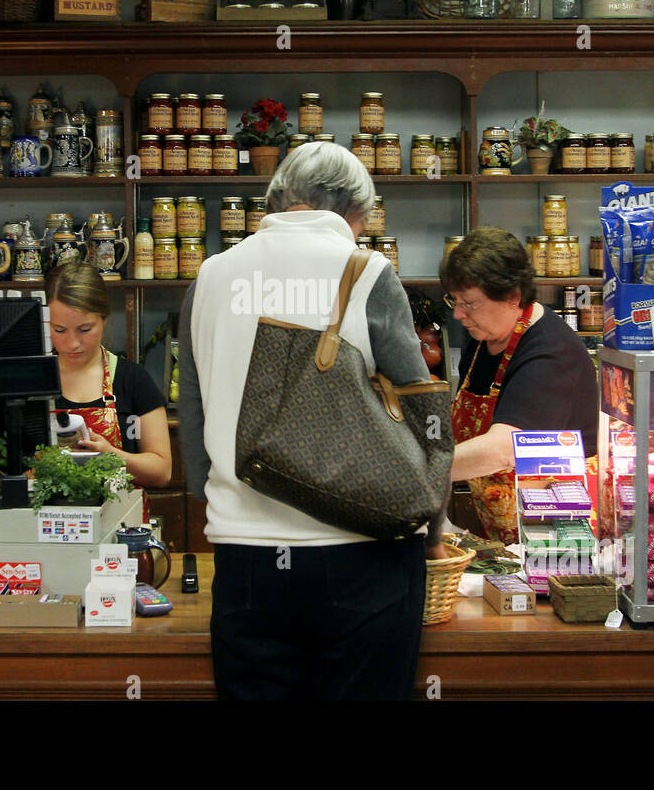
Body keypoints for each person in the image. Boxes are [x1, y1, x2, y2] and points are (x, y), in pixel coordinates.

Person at [178, 141, 445, 701]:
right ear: (356, 212)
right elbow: (423, 410)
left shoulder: (211, 275)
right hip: (362, 552)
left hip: (245, 560)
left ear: (276, 198)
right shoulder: (368, 271)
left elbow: (194, 408)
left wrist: (222, 501)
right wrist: (433, 523)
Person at [440, 227, 598, 543]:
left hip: (558, 534)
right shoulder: (482, 338)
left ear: (512, 297)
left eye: (469, 303)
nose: (458, 314)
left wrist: (416, 473)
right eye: (454, 301)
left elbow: (503, 449)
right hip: (506, 529)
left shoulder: (552, 352)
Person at [47, 261, 171, 489]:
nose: (73, 343)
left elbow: (162, 472)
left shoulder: (132, 379)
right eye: (59, 330)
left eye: (85, 329)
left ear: (104, 319)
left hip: (120, 521)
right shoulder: (33, 381)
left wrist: (112, 455)